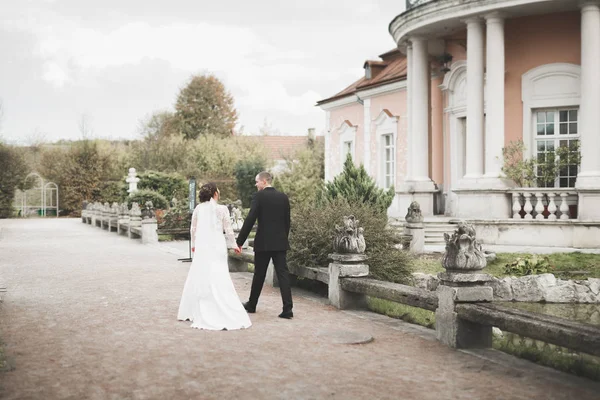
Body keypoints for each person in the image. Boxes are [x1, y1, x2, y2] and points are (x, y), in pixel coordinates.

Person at [177, 182, 252, 330]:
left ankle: (197, 307)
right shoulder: (221, 209)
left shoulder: (198, 209)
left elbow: (193, 229)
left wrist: (193, 244)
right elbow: (228, 230)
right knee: (219, 274)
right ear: (215, 194)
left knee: (200, 274)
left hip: (203, 247)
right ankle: (220, 305)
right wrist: (234, 245)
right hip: (217, 246)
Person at [235, 171, 293, 319]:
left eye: (257, 182)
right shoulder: (283, 197)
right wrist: (283, 238)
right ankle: (288, 308)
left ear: (264, 181)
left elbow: (250, 219)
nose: (256, 185)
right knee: (283, 274)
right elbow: (287, 222)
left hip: (264, 242)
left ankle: (252, 304)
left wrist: (239, 241)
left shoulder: (259, 197)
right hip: (280, 242)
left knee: (259, 274)